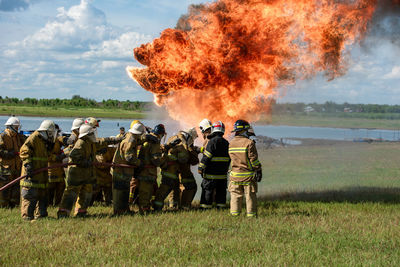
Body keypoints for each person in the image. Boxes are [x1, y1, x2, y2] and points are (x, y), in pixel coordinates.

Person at [57, 124, 121, 218]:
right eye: (91, 133)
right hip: (76, 174)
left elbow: (102, 142)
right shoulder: (81, 143)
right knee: (71, 194)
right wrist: (85, 162)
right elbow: (74, 156)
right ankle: (63, 213)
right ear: (87, 135)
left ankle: (81, 212)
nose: (93, 135)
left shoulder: (90, 143)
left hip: (86, 174)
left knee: (86, 193)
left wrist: (116, 139)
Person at [19, 120, 57, 220]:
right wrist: (28, 165)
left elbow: (47, 156)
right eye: (50, 133)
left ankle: (41, 215)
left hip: (41, 174)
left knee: (42, 195)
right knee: (30, 196)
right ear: (45, 131)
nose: (51, 135)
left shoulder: (44, 141)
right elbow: (24, 151)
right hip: (31, 173)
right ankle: (27, 217)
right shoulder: (34, 138)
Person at [228, 120, 262, 217]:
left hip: (234, 176)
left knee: (235, 196)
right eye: (247, 130)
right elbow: (254, 161)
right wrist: (259, 170)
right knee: (250, 196)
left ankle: (234, 216)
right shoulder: (249, 143)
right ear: (243, 131)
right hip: (247, 177)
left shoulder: (231, 143)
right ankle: (251, 216)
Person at [111, 121, 145, 215]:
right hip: (121, 170)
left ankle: (124, 210)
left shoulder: (130, 136)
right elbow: (129, 157)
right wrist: (139, 163)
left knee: (124, 190)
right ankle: (120, 212)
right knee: (120, 191)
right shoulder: (131, 140)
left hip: (122, 169)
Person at [198, 121, 230, 209]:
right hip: (222, 175)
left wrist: (201, 167)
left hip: (211, 174)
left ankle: (205, 208)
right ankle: (221, 208)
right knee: (221, 193)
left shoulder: (212, 142)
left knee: (208, 191)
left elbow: (207, 156)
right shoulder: (226, 143)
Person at [136, 124, 164, 214]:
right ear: (161, 134)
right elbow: (155, 159)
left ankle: (144, 208)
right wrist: (163, 161)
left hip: (142, 171)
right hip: (148, 172)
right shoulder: (155, 142)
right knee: (146, 192)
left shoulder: (149, 139)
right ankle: (144, 211)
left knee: (144, 191)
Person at [0, 117, 25, 208]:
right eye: (16, 127)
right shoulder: (3, 136)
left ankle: (13, 206)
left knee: (16, 189)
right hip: (6, 169)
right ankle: (3, 206)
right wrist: (11, 154)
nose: (17, 129)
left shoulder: (18, 137)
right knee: (5, 189)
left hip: (17, 168)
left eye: (18, 127)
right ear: (10, 126)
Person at [153, 134, 182, 211]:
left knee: (171, 192)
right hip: (169, 175)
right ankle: (158, 208)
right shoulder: (168, 150)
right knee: (165, 192)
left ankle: (172, 206)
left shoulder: (172, 150)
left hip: (171, 175)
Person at [177, 127, 199, 210]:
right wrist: (193, 151)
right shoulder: (185, 145)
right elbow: (194, 161)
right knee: (191, 186)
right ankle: (185, 206)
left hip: (176, 171)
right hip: (183, 172)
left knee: (179, 188)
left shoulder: (177, 140)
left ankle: (177, 205)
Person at [47, 124, 66, 206]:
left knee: (60, 188)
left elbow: (63, 140)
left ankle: (58, 204)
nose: (57, 134)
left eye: (57, 132)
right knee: (49, 190)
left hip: (59, 171)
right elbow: (46, 155)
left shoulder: (57, 140)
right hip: (50, 171)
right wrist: (57, 157)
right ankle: (49, 205)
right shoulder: (45, 141)